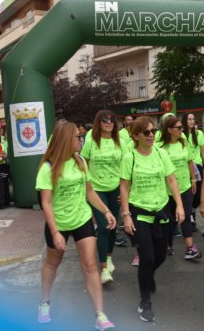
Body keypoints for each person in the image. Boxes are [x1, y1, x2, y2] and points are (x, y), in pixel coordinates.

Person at [36, 119, 116, 330]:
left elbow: (89, 192)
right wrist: (55, 232)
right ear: (65, 139)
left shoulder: (80, 161)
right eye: (78, 137)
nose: (81, 140)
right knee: (52, 263)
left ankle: (100, 314)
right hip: (59, 222)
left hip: (82, 218)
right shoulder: (48, 167)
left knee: (91, 265)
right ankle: (44, 302)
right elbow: (46, 202)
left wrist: (105, 210)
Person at [119, 116, 185, 322]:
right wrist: (126, 215)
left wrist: (180, 205)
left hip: (162, 211)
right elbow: (124, 186)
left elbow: (171, 180)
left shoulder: (161, 153)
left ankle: (148, 276)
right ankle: (144, 301)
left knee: (161, 256)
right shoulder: (129, 157)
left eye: (153, 131)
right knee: (146, 257)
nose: (151, 135)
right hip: (140, 213)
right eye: (146, 132)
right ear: (136, 135)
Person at [80, 110, 127, 284]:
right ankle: (104, 270)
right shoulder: (91, 141)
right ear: (99, 122)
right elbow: (83, 162)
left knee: (114, 226)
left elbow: (126, 168)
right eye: (105, 120)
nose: (109, 123)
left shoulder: (121, 142)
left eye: (112, 120)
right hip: (97, 189)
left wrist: (125, 192)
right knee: (104, 225)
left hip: (115, 188)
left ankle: (108, 256)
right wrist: (86, 186)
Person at [157, 116, 201, 260]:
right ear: (169, 130)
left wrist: (193, 179)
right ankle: (167, 245)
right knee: (169, 219)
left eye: (182, 127)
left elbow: (190, 162)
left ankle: (190, 248)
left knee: (186, 216)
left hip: (185, 186)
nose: (182, 130)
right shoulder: (160, 147)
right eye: (179, 128)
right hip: (167, 189)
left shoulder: (184, 142)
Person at [181, 112, 204, 233]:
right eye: (189, 119)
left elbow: (203, 150)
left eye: (193, 119)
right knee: (190, 192)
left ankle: (191, 212)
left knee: (198, 194)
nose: (191, 121)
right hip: (187, 166)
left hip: (198, 165)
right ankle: (190, 218)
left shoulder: (199, 133)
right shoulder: (181, 134)